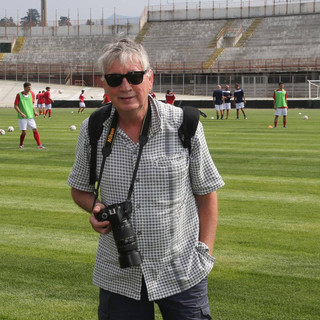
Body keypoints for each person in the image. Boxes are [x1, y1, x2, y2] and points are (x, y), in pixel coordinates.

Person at [68, 38, 224, 320]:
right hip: (118, 272)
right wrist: (97, 209)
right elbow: (79, 189)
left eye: (134, 76)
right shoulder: (92, 129)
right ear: (105, 85)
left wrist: (205, 252)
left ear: (150, 79)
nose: (125, 86)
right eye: (115, 79)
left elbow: (207, 194)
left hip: (182, 270)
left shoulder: (184, 124)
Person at [14, 82, 46, 150]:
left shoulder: (32, 94)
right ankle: (21, 144)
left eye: (30, 87)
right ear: (25, 88)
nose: (30, 88)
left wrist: (35, 111)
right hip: (22, 117)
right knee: (24, 132)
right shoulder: (19, 95)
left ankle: (39, 145)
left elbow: (32, 104)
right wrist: (21, 113)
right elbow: (15, 106)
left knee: (35, 129)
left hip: (30, 116)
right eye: (29, 87)